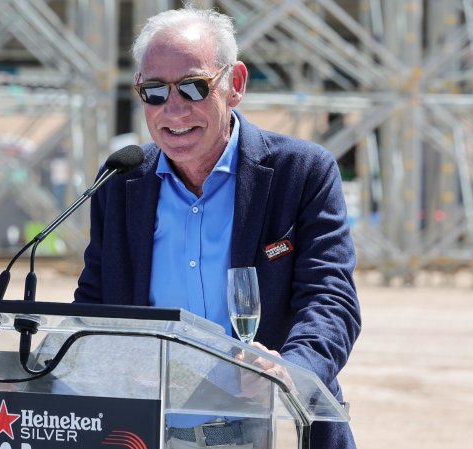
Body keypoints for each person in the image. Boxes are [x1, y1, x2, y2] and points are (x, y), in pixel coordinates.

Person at [74, 6, 361, 449]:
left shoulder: (300, 173)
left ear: (236, 85)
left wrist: (290, 371)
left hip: (275, 428)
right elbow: (94, 308)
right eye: (153, 90)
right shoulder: (120, 183)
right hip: (144, 433)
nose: (173, 108)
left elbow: (330, 298)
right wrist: (24, 372)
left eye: (193, 86)